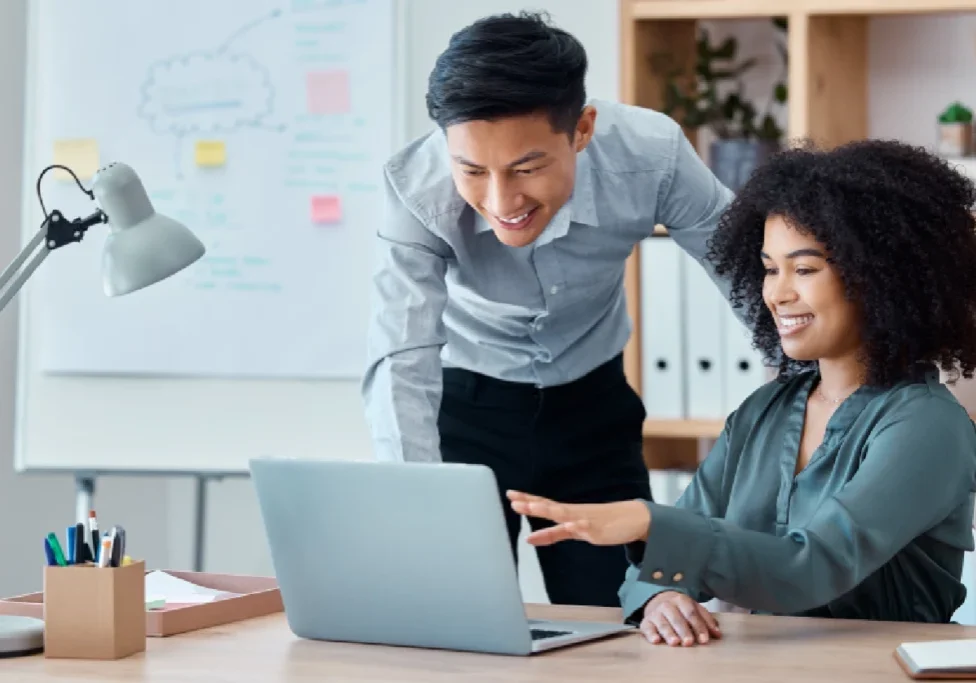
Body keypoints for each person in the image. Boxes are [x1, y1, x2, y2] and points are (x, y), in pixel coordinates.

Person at [507, 138, 976, 639]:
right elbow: (661, 561)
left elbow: (811, 567)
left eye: (804, 269)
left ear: (882, 276)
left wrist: (650, 524)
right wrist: (662, 594)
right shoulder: (765, 411)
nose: (777, 293)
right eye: (771, 269)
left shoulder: (929, 427)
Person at [360, 11, 735, 607]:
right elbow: (401, 354)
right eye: (472, 170)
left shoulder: (651, 154)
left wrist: (816, 400)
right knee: (455, 617)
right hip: (463, 413)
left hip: (591, 408)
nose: (500, 200)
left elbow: (749, 272)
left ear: (582, 129)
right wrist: (415, 506)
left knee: (621, 619)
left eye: (527, 168)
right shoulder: (415, 188)